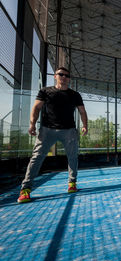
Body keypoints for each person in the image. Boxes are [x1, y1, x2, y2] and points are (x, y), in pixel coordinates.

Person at [17, 67, 88, 203]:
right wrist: (32, 124)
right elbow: (37, 107)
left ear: (69, 79)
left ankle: (72, 184)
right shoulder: (45, 91)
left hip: (69, 131)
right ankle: (25, 189)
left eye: (66, 75)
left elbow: (82, 112)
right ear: (55, 76)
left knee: (73, 157)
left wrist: (85, 125)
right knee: (36, 158)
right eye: (60, 74)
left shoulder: (75, 95)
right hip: (47, 130)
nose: (64, 77)